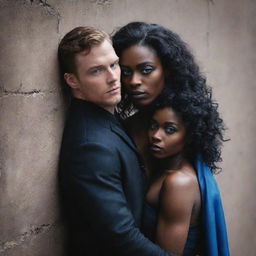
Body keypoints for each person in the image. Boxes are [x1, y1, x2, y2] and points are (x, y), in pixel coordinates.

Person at [113, 22, 230, 255]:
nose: (134, 81)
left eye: (146, 70)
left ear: (167, 69)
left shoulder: (186, 121)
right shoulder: (124, 129)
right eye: (126, 72)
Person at [58, 26, 173, 256]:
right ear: (72, 80)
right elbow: (121, 238)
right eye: (97, 71)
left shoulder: (104, 116)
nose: (113, 78)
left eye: (113, 65)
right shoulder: (90, 147)